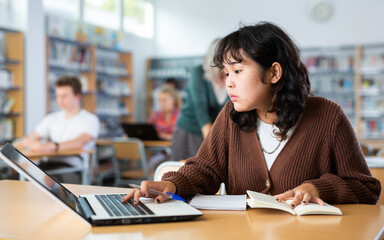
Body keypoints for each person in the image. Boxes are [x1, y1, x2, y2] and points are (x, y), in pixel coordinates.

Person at [123, 22, 381, 207]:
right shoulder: (231, 116)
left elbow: (367, 188)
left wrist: (317, 188)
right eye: (226, 73)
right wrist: (173, 185)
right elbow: (205, 170)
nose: (229, 83)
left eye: (237, 71)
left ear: (274, 73)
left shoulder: (328, 116)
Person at [20, 75, 100, 183]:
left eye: (64, 96)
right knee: (16, 174)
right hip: (48, 165)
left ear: (77, 96)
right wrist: (31, 142)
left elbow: (79, 143)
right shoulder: (52, 118)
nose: (60, 100)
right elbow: (31, 137)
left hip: (74, 168)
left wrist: (50, 147)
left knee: (44, 181)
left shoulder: (90, 119)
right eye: (58, 96)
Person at [170, 39, 228, 161]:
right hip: (189, 131)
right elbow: (200, 111)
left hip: (211, 133)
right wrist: (214, 146)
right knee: (184, 172)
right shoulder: (198, 72)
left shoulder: (231, 76)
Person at [147, 86, 182, 171]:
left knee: (154, 164)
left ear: (173, 100)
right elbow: (147, 129)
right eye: (160, 100)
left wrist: (162, 135)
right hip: (159, 149)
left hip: (176, 151)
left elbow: (179, 136)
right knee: (152, 163)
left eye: (165, 100)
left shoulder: (180, 115)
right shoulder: (156, 114)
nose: (162, 103)